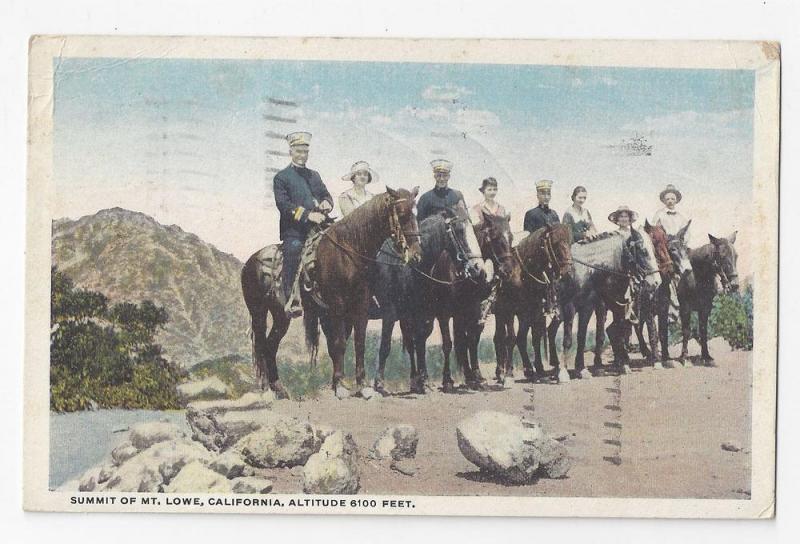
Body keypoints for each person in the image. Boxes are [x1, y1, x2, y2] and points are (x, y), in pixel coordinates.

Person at [273, 131, 333, 318]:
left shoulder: (314, 175)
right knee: (294, 249)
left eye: (305, 152)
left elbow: (326, 195)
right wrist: (308, 216)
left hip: (320, 228)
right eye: (298, 151)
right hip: (295, 231)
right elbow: (284, 205)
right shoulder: (282, 177)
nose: (302, 155)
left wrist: (327, 204)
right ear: (290, 151)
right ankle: (291, 298)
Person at [471, 177, 510, 326]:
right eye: (489, 189)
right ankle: (484, 303)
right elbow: (475, 229)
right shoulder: (477, 209)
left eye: (494, 189)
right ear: (483, 191)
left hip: (499, 248)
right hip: (485, 248)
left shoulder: (501, 209)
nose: (492, 192)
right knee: (486, 269)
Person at [608, 205, 641, 324]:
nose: (623, 219)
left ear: (630, 219)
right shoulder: (613, 234)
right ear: (617, 219)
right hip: (619, 271)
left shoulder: (635, 234)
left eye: (626, 216)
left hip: (635, 269)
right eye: (621, 216)